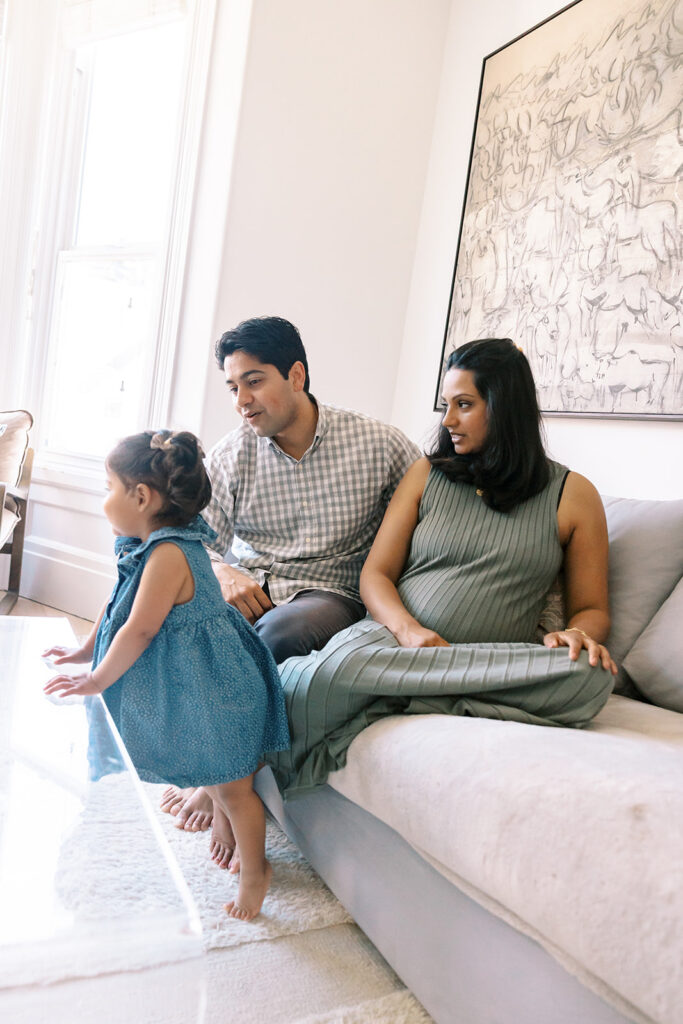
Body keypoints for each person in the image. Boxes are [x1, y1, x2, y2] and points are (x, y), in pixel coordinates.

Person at [266, 338, 618, 798]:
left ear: (505, 406)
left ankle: (394, 696)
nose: (448, 420)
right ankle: (416, 695)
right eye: (446, 405)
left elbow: (592, 607)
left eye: (464, 405)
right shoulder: (426, 474)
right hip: (392, 643)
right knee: (298, 683)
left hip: (488, 659)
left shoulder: (573, 495)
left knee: (589, 678)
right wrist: (407, 629)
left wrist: (578, 633)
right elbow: (376, 575)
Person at [160, 315, 420, 834]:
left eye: (254, 381)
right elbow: (190, 539)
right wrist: (221, 569)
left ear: (296, 375)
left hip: (330, 590)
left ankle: (220, 777)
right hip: (254, 584)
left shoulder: (380, 445)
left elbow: (430, 516)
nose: (242, 401)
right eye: (234, 387)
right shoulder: (233, 453)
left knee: (279, 632)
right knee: (183, 616)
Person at [43, 430, 290, 921]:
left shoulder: (169, 555)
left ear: (141, 497)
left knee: (233, 790)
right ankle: (227, 823)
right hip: (193, 682)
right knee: (213, 774)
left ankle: (255, 872)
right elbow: (116, 606)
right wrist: (85, 651)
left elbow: (138, 631)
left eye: (108, 486)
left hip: (217, 687)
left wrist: (96, 680)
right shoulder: (143, 544)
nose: (104, 498)